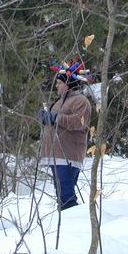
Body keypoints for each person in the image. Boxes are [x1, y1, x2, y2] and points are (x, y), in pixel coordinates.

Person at [39, 60, 92, 210]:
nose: (56, 86)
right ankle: (68, 219)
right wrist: (46, 119)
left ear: (68, 84)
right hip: (55, 153)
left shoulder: (81, 101)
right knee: (61, 193)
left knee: (66, 195)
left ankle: (72, 220)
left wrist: (56, 118)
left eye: (59, 83)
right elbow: (56, 123)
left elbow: (79, 123)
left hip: (69, 154)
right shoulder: (58, 102)